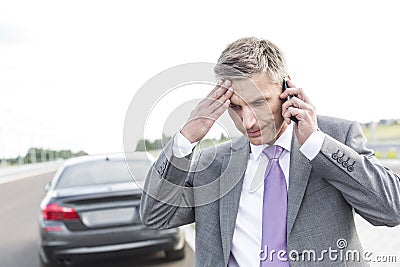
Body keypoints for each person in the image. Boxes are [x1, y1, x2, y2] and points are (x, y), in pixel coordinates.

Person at [140, 37, 400, 267]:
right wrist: (183, 141)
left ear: (287, 90)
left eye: (259, 103)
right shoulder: (213, 164)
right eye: (236, 107)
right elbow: (155, 215)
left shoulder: (336, 137)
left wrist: (316, 145)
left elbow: (390, 210)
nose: (249, 122)